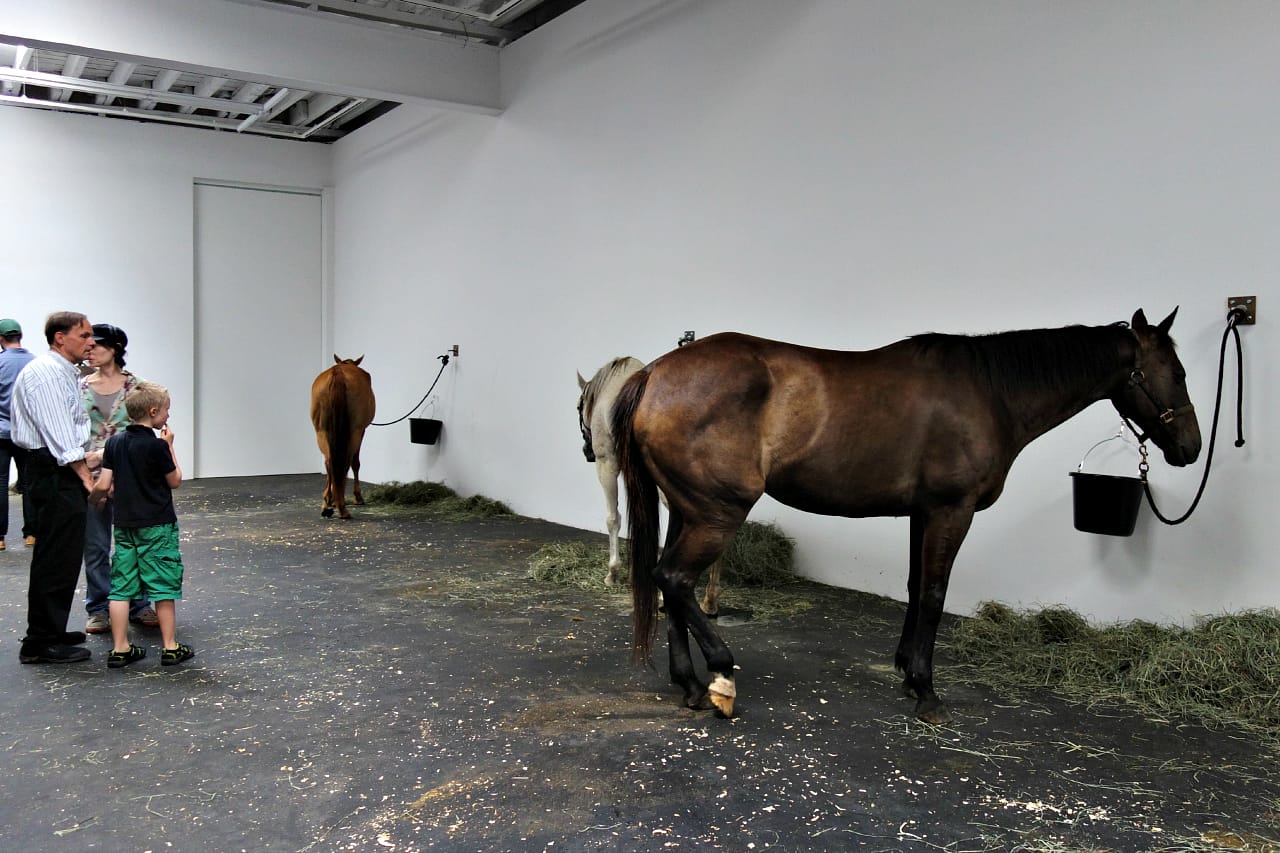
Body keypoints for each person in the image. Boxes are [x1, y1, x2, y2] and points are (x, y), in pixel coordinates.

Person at [11, 311, 96, 664]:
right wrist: (86, 476)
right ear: (60, 337)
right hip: (54, 470)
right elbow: (60, 434)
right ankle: (41, 641)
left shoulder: (62, 372)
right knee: (55, 558)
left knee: (62, 555)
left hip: (55, 468)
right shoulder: (46, 375)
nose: (91, 342)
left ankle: (51, 630)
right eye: (85, 335)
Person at [90, 381, 194, 668]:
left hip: (124, 525)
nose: (168, 416)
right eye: (166, 411)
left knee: (121, 587)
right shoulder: (157, 446)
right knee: (163, 585)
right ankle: (170, 646)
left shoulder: (114, 443)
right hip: (158, 526)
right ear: (152, 412)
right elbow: (175, 481)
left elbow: (105, 483)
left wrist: (93, 498)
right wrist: (170, 447)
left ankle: (121, 648)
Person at [80, 323, 156, 634]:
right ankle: (99, 608)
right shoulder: (81, 386)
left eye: (96, 345)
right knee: (96, 545)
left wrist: (106, 453)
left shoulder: (136, 387)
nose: (90, 350)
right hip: (89, 477)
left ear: (114, 348)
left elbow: (145, 427)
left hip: (129, 477)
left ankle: (139, 604)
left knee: (134, 544)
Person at [0, 318, 36, 551]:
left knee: (0, 483)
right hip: (27, 434)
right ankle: (31, 534)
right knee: (31, 483)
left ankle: (0, 537)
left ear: (1, 339)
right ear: (20, 336)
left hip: (0, 433)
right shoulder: (35, 363)